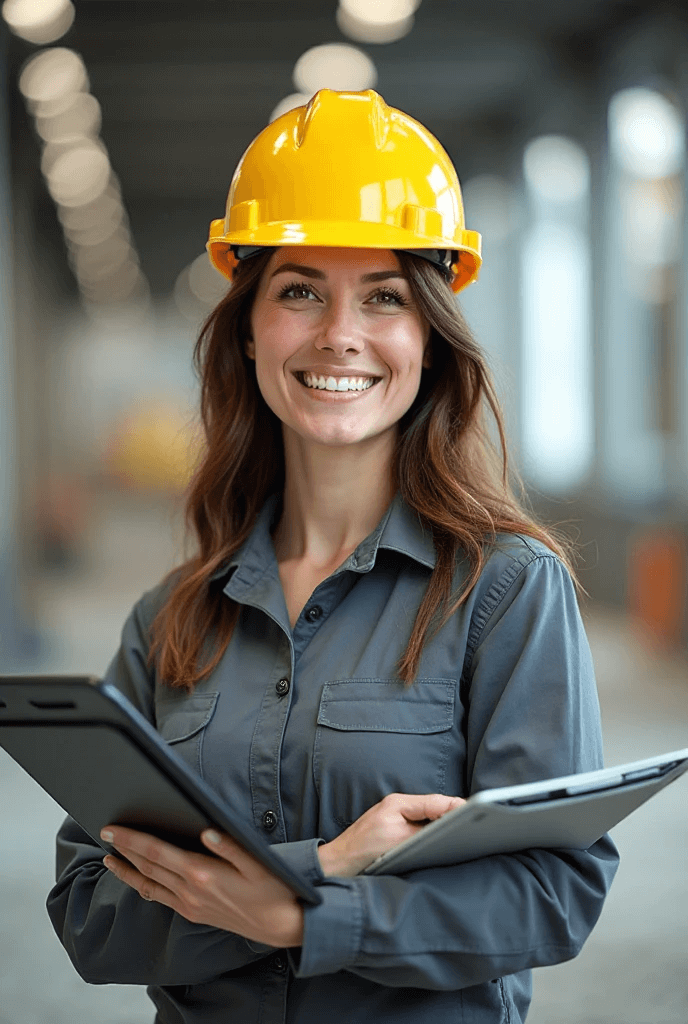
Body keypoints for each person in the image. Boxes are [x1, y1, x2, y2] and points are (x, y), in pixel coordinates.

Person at [47, 89, 619, 1024]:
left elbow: (554, 894)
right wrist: (320, 870)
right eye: (300, 289)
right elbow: (89, 919)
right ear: (248, 326)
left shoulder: (505, 591)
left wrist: (306, 919)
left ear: (429, 341)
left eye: (384, 296)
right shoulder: (170, 621)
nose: (338, 332)